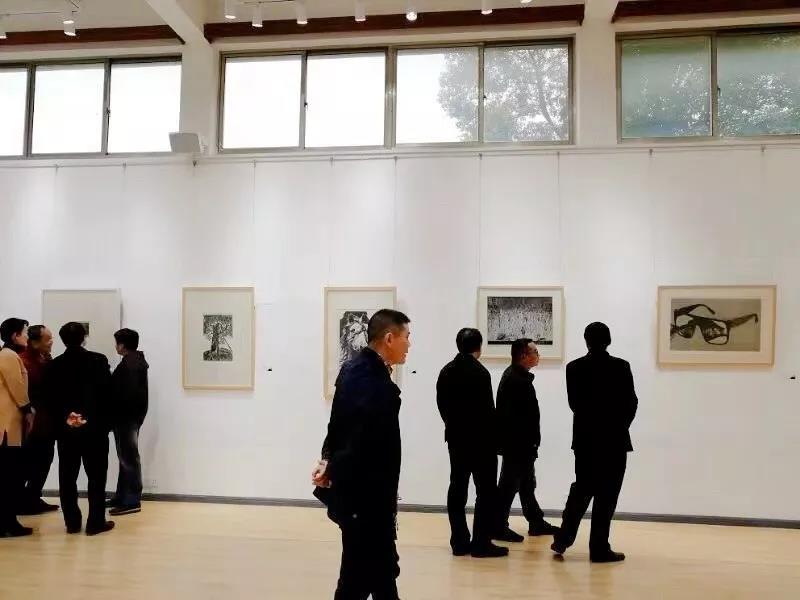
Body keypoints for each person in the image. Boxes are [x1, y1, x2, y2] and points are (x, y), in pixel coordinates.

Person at [312, 309, 411, 600]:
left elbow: (338, 427)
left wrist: (328, 461)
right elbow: (355, 438)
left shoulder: (359, 370)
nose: (409, 344)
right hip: (365, 500)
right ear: (389, 338)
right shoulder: (366, 377)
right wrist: (331, 465)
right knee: (359, 578)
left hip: (369, 497)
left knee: (379, 574)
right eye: (406, 337)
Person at [551, 322, 638, 563]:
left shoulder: (574, 368)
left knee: (581, 490)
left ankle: (563, 538)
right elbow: (631, 402)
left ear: (586, 341)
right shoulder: (621, 367)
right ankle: (599, 547)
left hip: (585, 440)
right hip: (614, 440)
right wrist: (619, 426)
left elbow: (574, 404)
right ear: (608, 340)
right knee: (607, 496)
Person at [436, 328, 508, 558]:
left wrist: (453, 426)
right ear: (479, 346)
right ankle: (480, 543)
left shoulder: (447, 371)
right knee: (485, 492)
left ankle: (459, 541)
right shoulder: (480, 373)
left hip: (457, 439)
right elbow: (487, 411)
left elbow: (442, 405)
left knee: (457, 488)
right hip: (481, 442)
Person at [43, 322, 114, 536]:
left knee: (67, 477)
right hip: (94, 429)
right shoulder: (98, 360)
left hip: (67, 431)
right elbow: (106, 395)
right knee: (97, 477)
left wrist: (68, 417)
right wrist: (91, 419)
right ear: (84, 338)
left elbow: (50, 400)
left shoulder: (54, 365)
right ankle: (95, 522)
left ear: (63, 340)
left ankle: (72, 522)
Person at [496, 339, 558, 541]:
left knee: (526, 484)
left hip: (519, 443)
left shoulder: (517, 377)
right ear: (524, 356)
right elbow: (516, 418)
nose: (538, 355)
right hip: (517, 444)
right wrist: (528, 443)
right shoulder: (516, 380)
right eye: (535, 352)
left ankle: (536, 522)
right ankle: (497, 525)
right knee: (509, 485)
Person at [107, 328, 149, 516]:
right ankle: (122, 496)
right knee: (126, 458)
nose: (116, 346)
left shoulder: (131, 364)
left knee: (129, 459)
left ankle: (131, 500)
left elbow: (128, 395)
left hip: (126, 418)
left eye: (116, 343)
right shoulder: (134, 361)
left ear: (122, 345)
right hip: (128, 418)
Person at [19, 325, 59, 515]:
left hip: (46, 422)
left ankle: (33, 497)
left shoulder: (43, 359)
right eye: (48, 339)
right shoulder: (24, 362)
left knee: (44, 460)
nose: (51, 342)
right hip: (32, 423)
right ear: (34, 343)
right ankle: (24, 500)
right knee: (30, 463)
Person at [0, 318, 34, 537]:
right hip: (7, 425)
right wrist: (28, 409)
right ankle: (7, 523)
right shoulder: (9, 356)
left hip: (7, 422)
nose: (28, 337)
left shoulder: (7, 355)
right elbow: (17, 386)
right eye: (25, 333)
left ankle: (8, 522)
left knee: (8, 476)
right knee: (9, 477)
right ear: (15, 335)